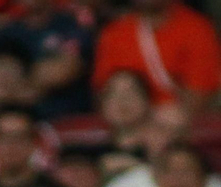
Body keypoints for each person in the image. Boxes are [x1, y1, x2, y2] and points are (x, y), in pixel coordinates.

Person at [92, 0, 221, 110]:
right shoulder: (113, 34)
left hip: (179, 125)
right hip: (129, 125)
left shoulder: (197, 29)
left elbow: (201, 95)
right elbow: (103, 93)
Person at [0, 0, 95, 119]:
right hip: (17, 119)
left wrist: (20, 82)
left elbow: (66, 69)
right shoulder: (7, 30)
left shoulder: (70, 23)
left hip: (65, 114)